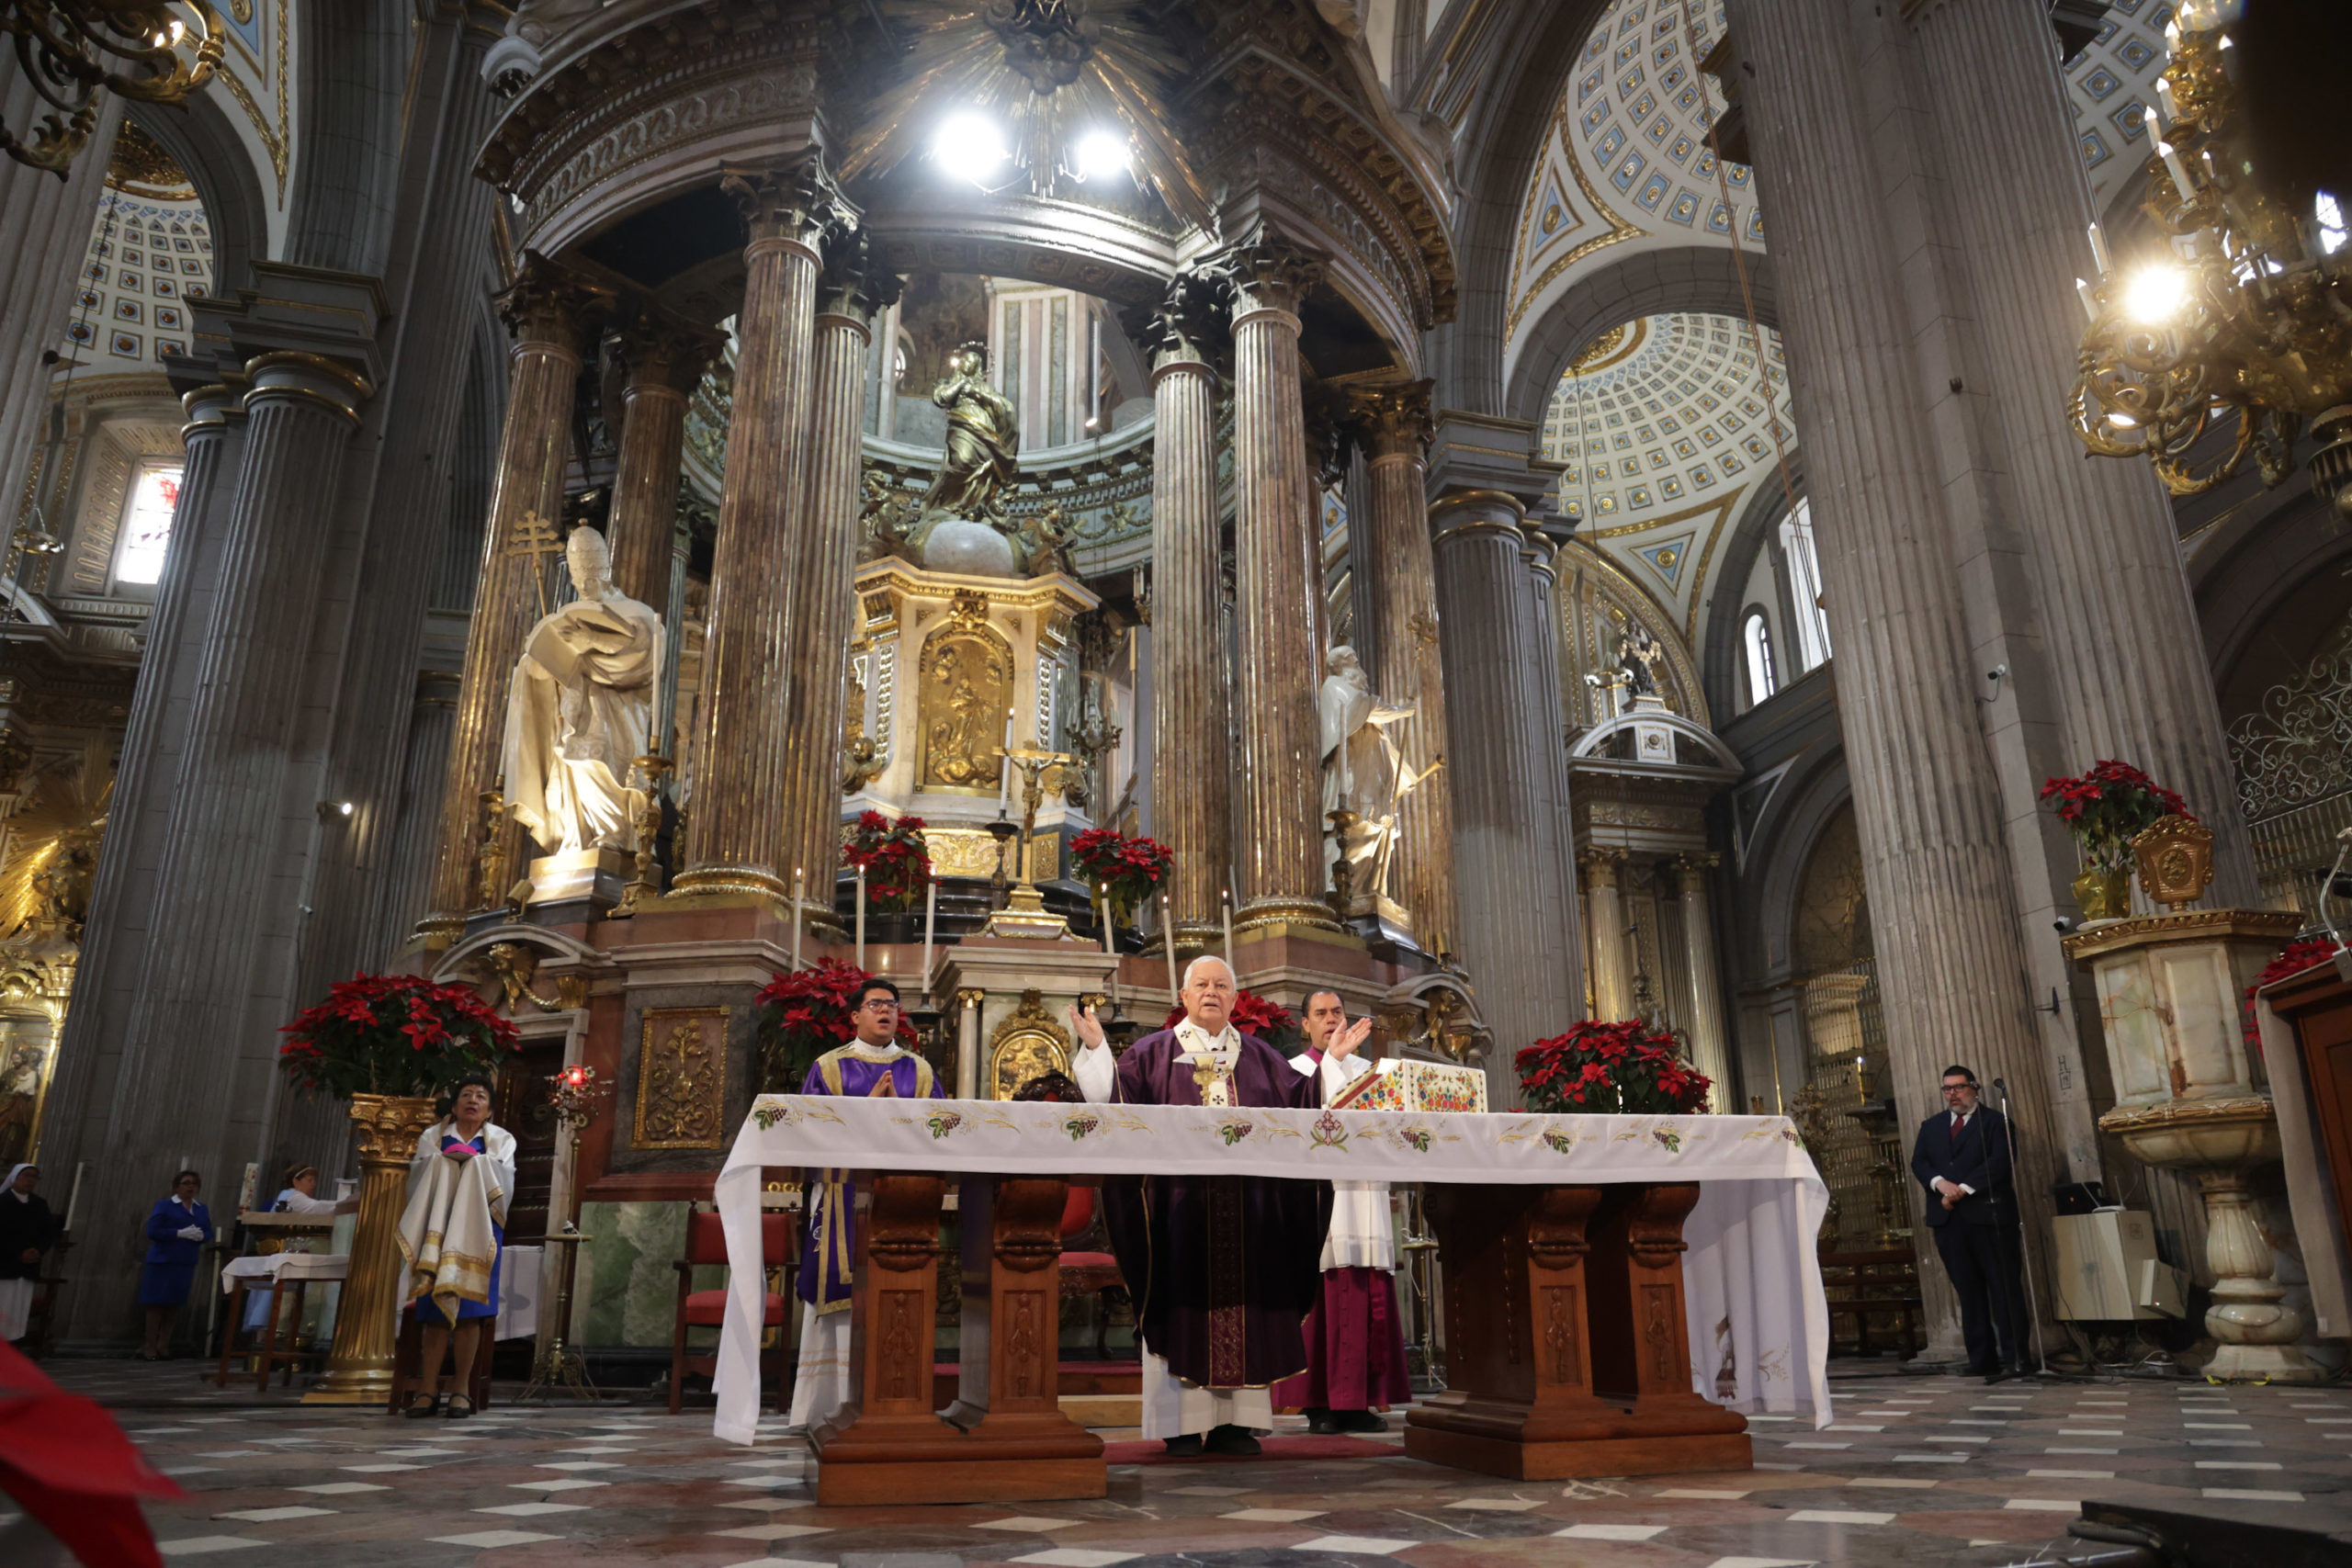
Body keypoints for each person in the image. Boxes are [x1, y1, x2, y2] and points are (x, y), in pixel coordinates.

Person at [1068, 955, 1350, 1457]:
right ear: (1184, 995)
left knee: (1246, 1307)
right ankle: (1178, 1425)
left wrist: (1331, 1064)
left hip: (1250, 1213)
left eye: (1222, 985)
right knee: (1181, 1305)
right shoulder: (1151, 1055)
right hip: (1180, 1215)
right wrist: (1097, 1054)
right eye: (1202, 984)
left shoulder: (1263, 1059)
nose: (1211, 992)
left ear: (1236, 999)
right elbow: (1116, 1105)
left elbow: (1304, 1109)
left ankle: (1234, 1427)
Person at [789, 976, 942, 1432]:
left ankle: (897, 1403)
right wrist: (865, 1110)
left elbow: (943, 1133)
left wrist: (900, 1115)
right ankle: (825, 1407)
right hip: (842, 1198)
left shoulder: (921, 1071)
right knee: (838, 1298)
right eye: (875, 1004)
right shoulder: (830, 1068)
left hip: (903, 1200)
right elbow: (807, 1132)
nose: (886, 1011)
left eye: (892, 1005)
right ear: (854, 1015)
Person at [1275, 993, 1409, 1434]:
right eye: (1321, 1014)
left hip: (1365, 1193)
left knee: (1367, 1287)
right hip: (1322, 1199)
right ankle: (1320, 1403)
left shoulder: (1372, 1074)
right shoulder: (1294, 1073)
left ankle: (1359, 1402)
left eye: (1338, 1013)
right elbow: (1310, 1120)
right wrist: (1332, 1061)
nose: (1331, 1020)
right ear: (1304, 1026)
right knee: (1326, 1290)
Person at [396, 1075, 515, 1418]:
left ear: (489, 1109)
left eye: (480, 1096)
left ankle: (461, 1389)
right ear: (454, 1106)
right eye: (466, 1095)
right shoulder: (432, 1138)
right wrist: (445, 1160)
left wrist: (474, 1161)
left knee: (470, 1313)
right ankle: (427, 1389)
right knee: (433, 1312)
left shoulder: (501, 1141)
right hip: (438, 1227)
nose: (472, 1101)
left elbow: (504, 1182)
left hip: (480, 1231)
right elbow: (417, 1176)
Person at [1909, 1063, 2030, 1383]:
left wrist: (1962, 1189)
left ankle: (2017, 1356)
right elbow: (1919, 1162)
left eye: (1959, 1087)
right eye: (1947, 1089)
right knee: (1968, 1291)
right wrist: (1939, 1184)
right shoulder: (1931, 1126)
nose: (1953, 1094)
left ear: (1975, 1088)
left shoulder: (1995, 1122)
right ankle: (1982, 1359)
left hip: (1988, 1216)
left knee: (2003, 1288)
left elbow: (2000, 1162)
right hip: (1949, 1221)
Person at [240, 1163, 358, 1334]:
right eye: (310, 1180)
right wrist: (347, 1203)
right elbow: (316, 1208)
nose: (314, 1184)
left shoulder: (289, 1196)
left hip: (285, 1259)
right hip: (283, 1257)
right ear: (296, 1181)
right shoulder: (291, 1196)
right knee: (275, 1307)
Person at [137, 1170, 209, 1360]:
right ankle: (150, 1345)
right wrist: (178, 1233)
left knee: (174, 1305)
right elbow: (153, 1231)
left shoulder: (201, 1209)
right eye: (186, 1183)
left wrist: (203, 1236)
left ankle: (164, 1345)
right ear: (176, 1186)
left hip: (185, 1262)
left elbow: (207, 1230)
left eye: (194, 1183)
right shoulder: (165, 1205)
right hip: (163, 1261)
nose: (190, 1186)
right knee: (155, 1304)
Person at [0, 1165, 60, 1346]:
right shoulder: (3, 1201)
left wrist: (38, 1251)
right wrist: (18, 1253)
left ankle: (14, 1347)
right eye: (26, 1175)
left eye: (35, 1177)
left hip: (28, 1267)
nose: (30, 1180)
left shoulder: (39, 1204)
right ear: (15, 1177)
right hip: (5, 1265)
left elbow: (48, 1233)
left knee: (19, 1310)